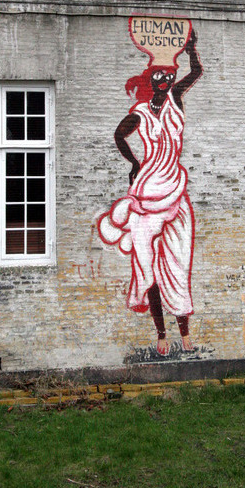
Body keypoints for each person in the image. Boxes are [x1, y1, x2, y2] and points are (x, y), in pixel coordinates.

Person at [98, 29, 203, 356]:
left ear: (170, 79)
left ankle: (183, 327)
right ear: (150, 79)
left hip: (175, 189)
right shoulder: (141, 114)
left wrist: (192, 49)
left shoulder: (176, 100)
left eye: (167, 74)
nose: (163, 77)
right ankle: (161, 332)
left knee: (178, 263)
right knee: (147, 267)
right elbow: (119, 135)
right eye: (157, 74)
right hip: (146, 194)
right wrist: (133, 163)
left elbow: (196, 72)